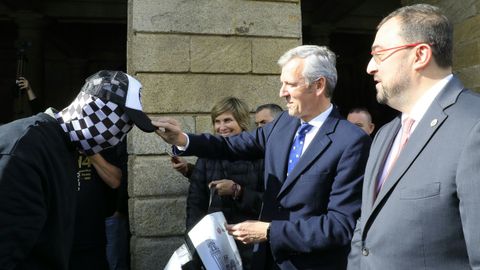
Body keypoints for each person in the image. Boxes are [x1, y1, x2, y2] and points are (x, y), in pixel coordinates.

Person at [153, 45, 371, 269]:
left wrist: (269, 231)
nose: (282, 92)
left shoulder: (351, 141)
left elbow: (339, 226)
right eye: (282, 83)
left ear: (319, 85)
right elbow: (231, 146)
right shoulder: (284, 123)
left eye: (290, 84)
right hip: (265, 261)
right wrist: (182, 139)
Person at [347, 4, 480, 270]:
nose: (370, 67)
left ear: (420, 55)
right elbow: (366, 230)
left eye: (380, 54)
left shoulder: (473, 125)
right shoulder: (385, 134)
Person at [0, 70, 156, 270]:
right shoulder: (24, 148)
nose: (119, 137)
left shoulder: (63, 147)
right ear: (93, 108)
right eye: (122, 123)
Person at [180, 96, 263, 269]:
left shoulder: (260, 157)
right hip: (214, 244)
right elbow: (195, 203)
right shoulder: (206, 157)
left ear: (241, 122)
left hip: (250, 242)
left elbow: (267, 203)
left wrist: (237, 191)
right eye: (217, 121)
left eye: (228, 120)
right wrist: (194, 242)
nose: (221, 127)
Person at [69, 142, 127, 270]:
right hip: (72, 225)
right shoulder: (59, 143)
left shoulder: (106, 141)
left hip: (105, 222)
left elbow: (116, 181)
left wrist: (91, 153)